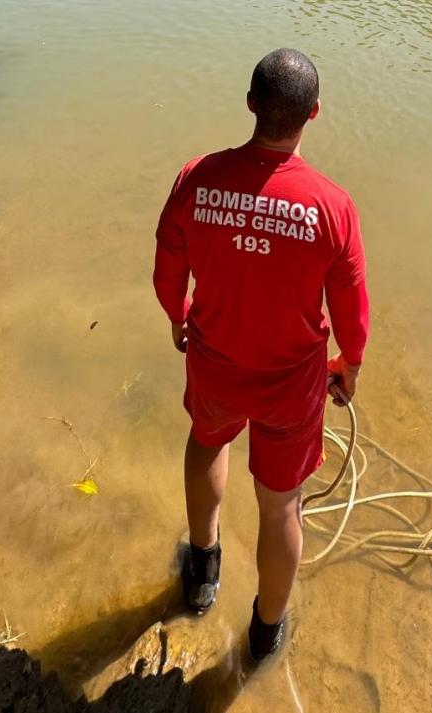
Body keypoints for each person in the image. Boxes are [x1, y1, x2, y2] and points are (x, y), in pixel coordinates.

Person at [153, 48, 369, 662]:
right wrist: (349, 365)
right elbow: (353, 311)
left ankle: (202, 572)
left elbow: (167, 268)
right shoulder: (332, 206)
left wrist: (177, 316)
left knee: (207, 443)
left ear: (250, 103)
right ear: (314, 112)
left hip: (215, 361)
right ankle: (265, 634)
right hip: (291, 383)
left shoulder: (196, 178)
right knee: (280, 507)